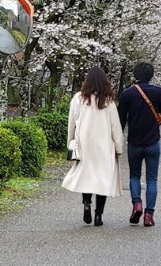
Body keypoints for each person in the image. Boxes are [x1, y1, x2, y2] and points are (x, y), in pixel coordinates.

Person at [62, 67, 125, 227]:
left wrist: (70, 143)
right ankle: (98, 215)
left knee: (86, 176)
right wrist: (119, 147)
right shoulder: (108, 101)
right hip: (104, 145)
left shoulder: (78, 99)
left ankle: (86, 203)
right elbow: (115, 127)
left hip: (85, 144)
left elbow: (72, 123)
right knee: (103, 179)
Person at [118, 62, 161, 227]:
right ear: (151, 75)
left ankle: (137, 204)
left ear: (135, 75)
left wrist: (117, 140)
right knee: (152, 179)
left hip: (135, 142)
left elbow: (121, 119)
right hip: (153, 141)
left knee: (134, 175)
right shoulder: (158, 92)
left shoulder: (127, 93)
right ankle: (149, 215)